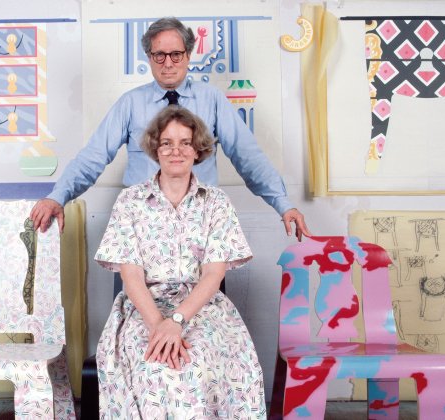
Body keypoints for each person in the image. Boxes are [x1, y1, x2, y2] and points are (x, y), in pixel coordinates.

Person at [31, 16, 311, 239]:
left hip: (201, 223)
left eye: (176, 54)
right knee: (137, 307)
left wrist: (283, 204)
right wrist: (58, 196)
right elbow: (92, 157)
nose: (168, 64)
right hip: (141, 224)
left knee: (204, 307)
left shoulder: (212, 100)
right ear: (148, 57)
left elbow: (248, 157)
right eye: (159, 55)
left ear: (188, 54)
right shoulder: (130, 103)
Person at [94, 106, 266, 418]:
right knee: (154, 365)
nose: (176, 151)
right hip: (143, 306)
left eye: (185, 142)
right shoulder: (130, 202)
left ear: (197, 149)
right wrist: (159, 325)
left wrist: (176, 323)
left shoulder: (216, 202)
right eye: (167, 143)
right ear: (154, 148)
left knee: (196, 360)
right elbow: (131, 278)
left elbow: (213, 276)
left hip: (201, 305)